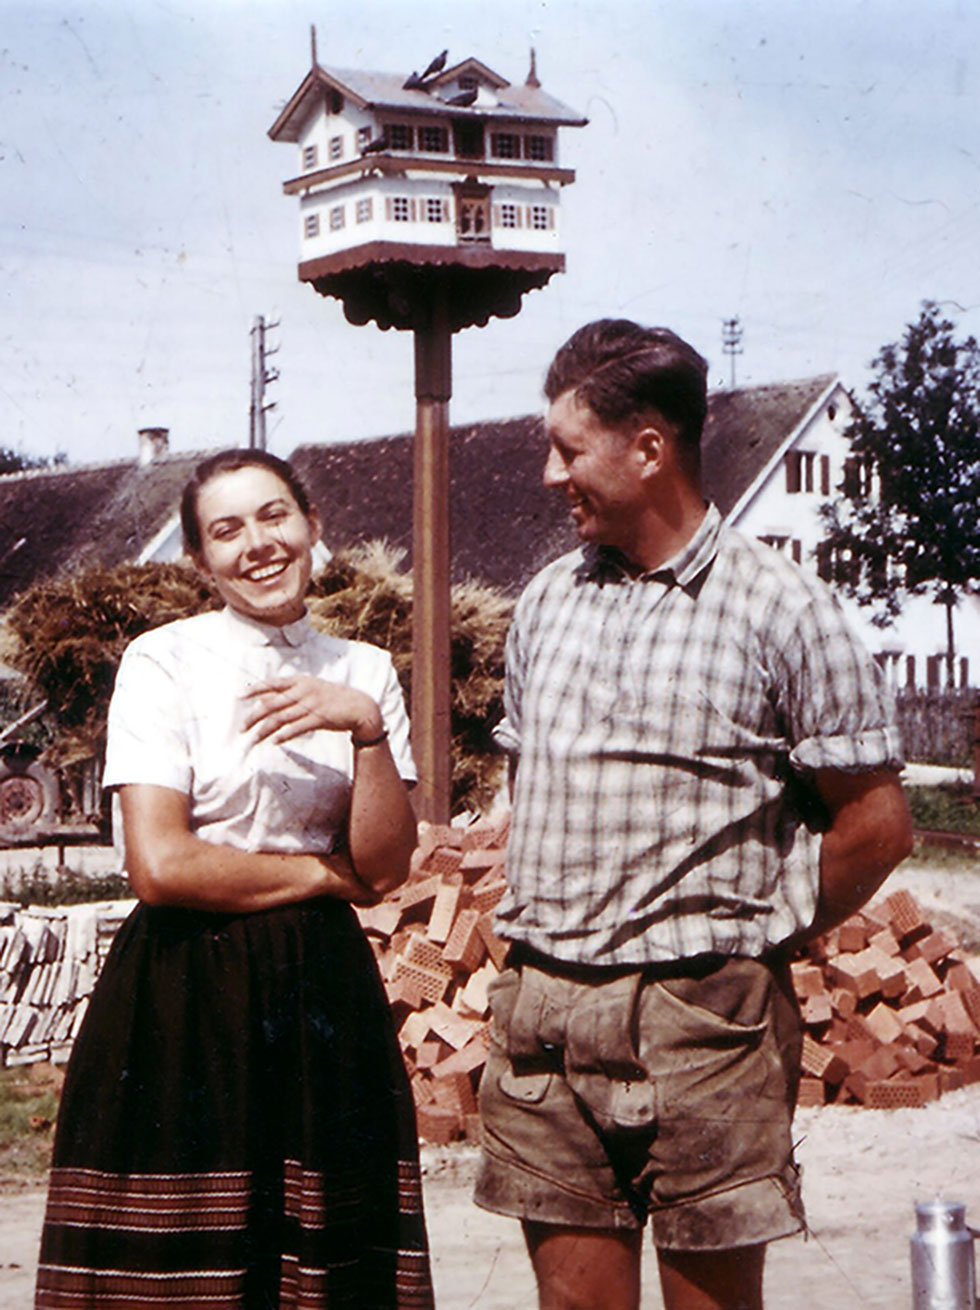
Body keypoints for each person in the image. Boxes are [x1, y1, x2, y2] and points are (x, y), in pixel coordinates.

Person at [474, 320, 913, 1310]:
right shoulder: (544, 601)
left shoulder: (781, 607)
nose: (550, 476)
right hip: (544, 1020)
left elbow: (874, 824)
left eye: (567, 448)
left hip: (702, 1028)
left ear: (647, 447)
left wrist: (751, 937)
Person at [36, 449, 435, 1308]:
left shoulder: (364, 672)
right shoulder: (162, 661)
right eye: (227, 530)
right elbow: (163, 864)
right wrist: (326, 877)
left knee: (331, 1260)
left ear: (312, 527)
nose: (257, 543)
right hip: (186, 988)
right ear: (198, 561)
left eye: (274, 516)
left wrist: (365, 732)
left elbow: (388, 864)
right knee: (190, 1267)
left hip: (324, 994)